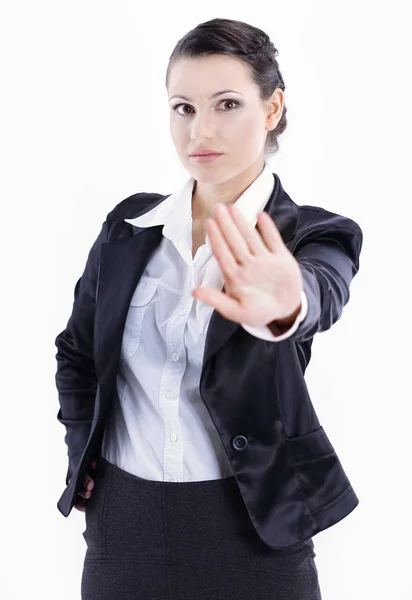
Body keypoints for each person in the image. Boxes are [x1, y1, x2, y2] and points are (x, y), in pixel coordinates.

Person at [55, 17, 363, 600]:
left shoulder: (313, 235)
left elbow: (322, 290)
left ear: (271, 110)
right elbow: (76, 350)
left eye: (227, 103)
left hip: (255, 530)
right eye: (183, 107)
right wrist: (82, 449)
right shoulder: (128, 227)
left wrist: (285, 304)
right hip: (125, 527)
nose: (201, 129)